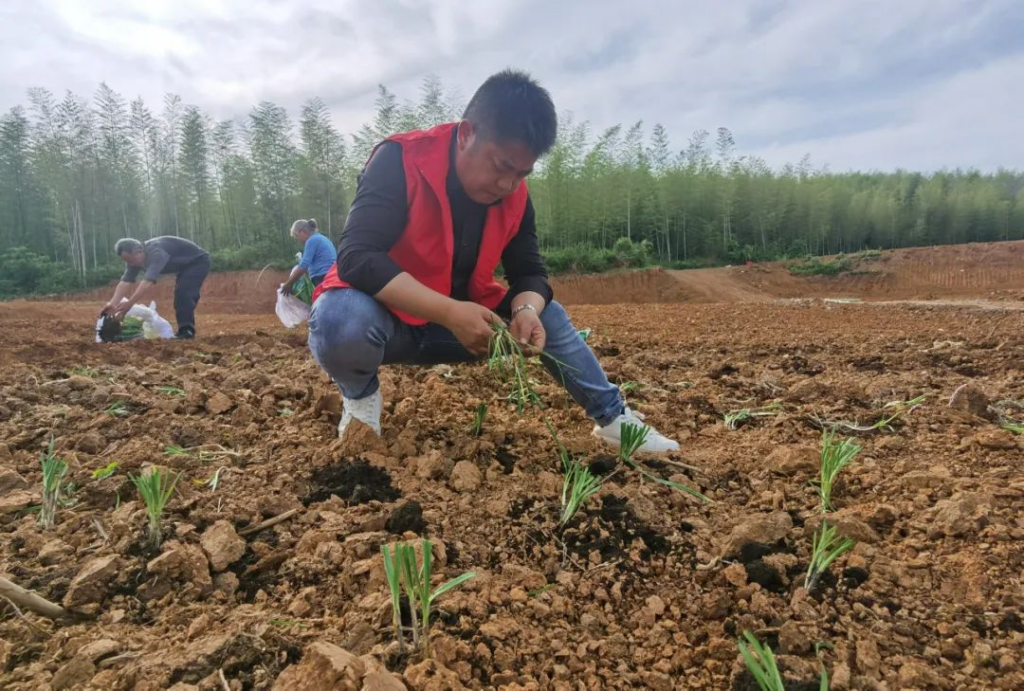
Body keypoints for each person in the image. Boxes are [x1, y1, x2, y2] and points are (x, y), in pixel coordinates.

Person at [307, 69, 679, 453]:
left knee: (548, 314)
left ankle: (614, 419)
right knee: (338, 318)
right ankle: (361, 401)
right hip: (388, 321)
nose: (508, 185)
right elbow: (356, 256)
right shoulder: (401, 160)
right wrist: (450, 312)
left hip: (468, 329)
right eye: (501, 166)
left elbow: (530, 272)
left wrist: (527, 308)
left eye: (522, 173)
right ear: (467, 133)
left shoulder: (515, 193)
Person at [103, 236, 211, 339]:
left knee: (183, 292)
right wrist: (112, 304)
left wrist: (129, 304)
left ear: (139, 251)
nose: (130, 264)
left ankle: (186, 331)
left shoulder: (157, 252)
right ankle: (185, 329)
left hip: (198, 262)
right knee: (182, 292)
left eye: (130, 260)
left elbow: (147, 282)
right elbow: (125, 282)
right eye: (126, 261)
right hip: (184, 267)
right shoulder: (134, 260)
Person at [280, 219, 337, 294]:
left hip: (321, 278)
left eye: (297, 236)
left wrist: (289, 283)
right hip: (333, 276)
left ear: (302, 231)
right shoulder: (323, 238)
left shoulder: (311, 240)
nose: (298, 240)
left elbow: (304, 265)